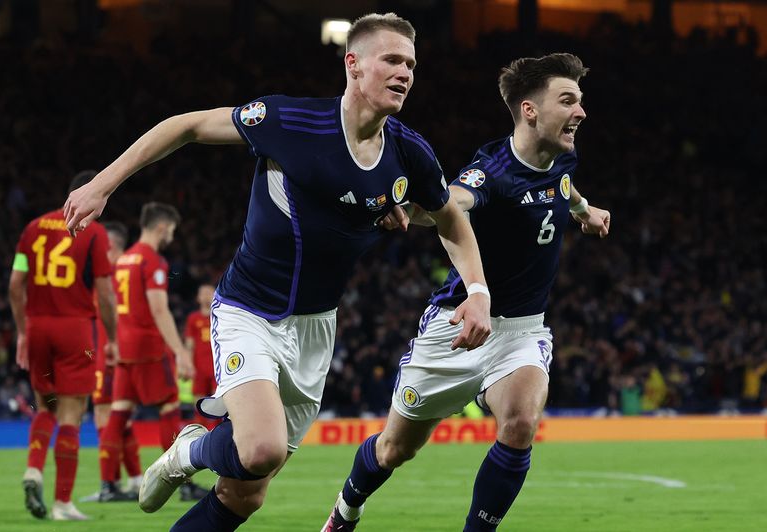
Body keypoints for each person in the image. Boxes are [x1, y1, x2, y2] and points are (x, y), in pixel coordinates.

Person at [63, 12, 491, 531]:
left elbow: (448, 217)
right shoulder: (290, 121)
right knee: (260, 449)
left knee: (245, 494)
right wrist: (102, 185)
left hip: (315, 330)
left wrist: (476, 289)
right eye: (392, 60)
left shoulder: (409, 153)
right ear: (354, 65)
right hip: (249, 310)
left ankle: (204, 453)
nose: (405, 73)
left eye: (411, 65)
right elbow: (187, 126)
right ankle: (190, 450)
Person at [322, 53, 611, 531]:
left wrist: (584, 209)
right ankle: (346, 509)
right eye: (567, 101)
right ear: (529, 110)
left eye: (579, 100)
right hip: (456, 326)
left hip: (522, 331)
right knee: (394, 449)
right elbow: (451, 202)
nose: (580, 111)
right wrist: (404, 206)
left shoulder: (562, 155)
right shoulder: (492, 171)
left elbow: (564, 184)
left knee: (520, 422)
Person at [10, 171, 119, 521]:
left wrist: (22, 331)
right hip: (74, 330)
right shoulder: (94, 233)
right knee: (72, 413)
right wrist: (113, 338)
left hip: (37, 327)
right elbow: (105, 293)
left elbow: (15, 283)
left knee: (45, 405)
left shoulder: (32, 228)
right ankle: (62, 503)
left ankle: (33, 469)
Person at [94, 202, 196, 504]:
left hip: (125, 348)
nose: (171, 237)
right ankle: (182, 483)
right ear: (162, 227)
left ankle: (108, 485)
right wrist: (180, 351)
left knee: (118, 413)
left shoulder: (124, 260)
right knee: (169, 407)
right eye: (172, 231)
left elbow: (113, 305)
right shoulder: (152, 261)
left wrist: (115, 340)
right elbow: (159, 309)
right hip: (149, 347)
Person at [82, 220, 143, 502]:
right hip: (115, 352)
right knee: (121, 419)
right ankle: (135, 479)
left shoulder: (112, 276)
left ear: (110, 247)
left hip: (110, 354)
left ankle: (111, 484)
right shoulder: (124, 272)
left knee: (105, 416)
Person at [184, 283, 218, 430]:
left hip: (217, 367)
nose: (206, 296)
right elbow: (189, 344)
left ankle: (217, 433)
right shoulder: (193, 318)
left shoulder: (220, 317)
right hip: (199, 367)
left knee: (218, 402)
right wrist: (188, 364)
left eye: (209, 293)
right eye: (203, 293)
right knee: (198, 402)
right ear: (198, 298)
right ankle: (199, 432)